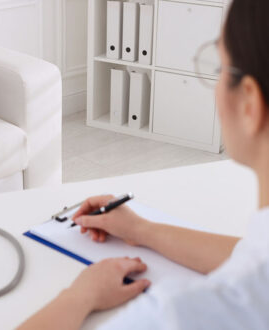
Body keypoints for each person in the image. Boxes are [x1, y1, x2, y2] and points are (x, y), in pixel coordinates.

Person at [18, 0, 269, 328]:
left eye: (219, 69)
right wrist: (139, 230)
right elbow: (249, 256)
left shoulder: (179, 315)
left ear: (250, 104)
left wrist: (81, 295)